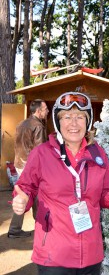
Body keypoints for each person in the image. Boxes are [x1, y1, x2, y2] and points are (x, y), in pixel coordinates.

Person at [11, 92, 109, 274]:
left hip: (90, 253)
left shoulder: (97, 153)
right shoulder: (41, 154)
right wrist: (23, 200)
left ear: (87, 121)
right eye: (67, 116)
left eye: (80, 117)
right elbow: (26, 187)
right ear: (58, 121)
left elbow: (106, 194)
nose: (73, 123)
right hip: (54, 255)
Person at [8, 99, 49, 238]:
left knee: (22, 195)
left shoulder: (21, 123)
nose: (47, 111)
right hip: (30, 166)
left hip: (19, 163)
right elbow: (41, 151)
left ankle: (15, 230)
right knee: (37, 196)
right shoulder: (38, 126)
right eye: (45, 109)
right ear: (38, 111)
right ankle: (41, 229)